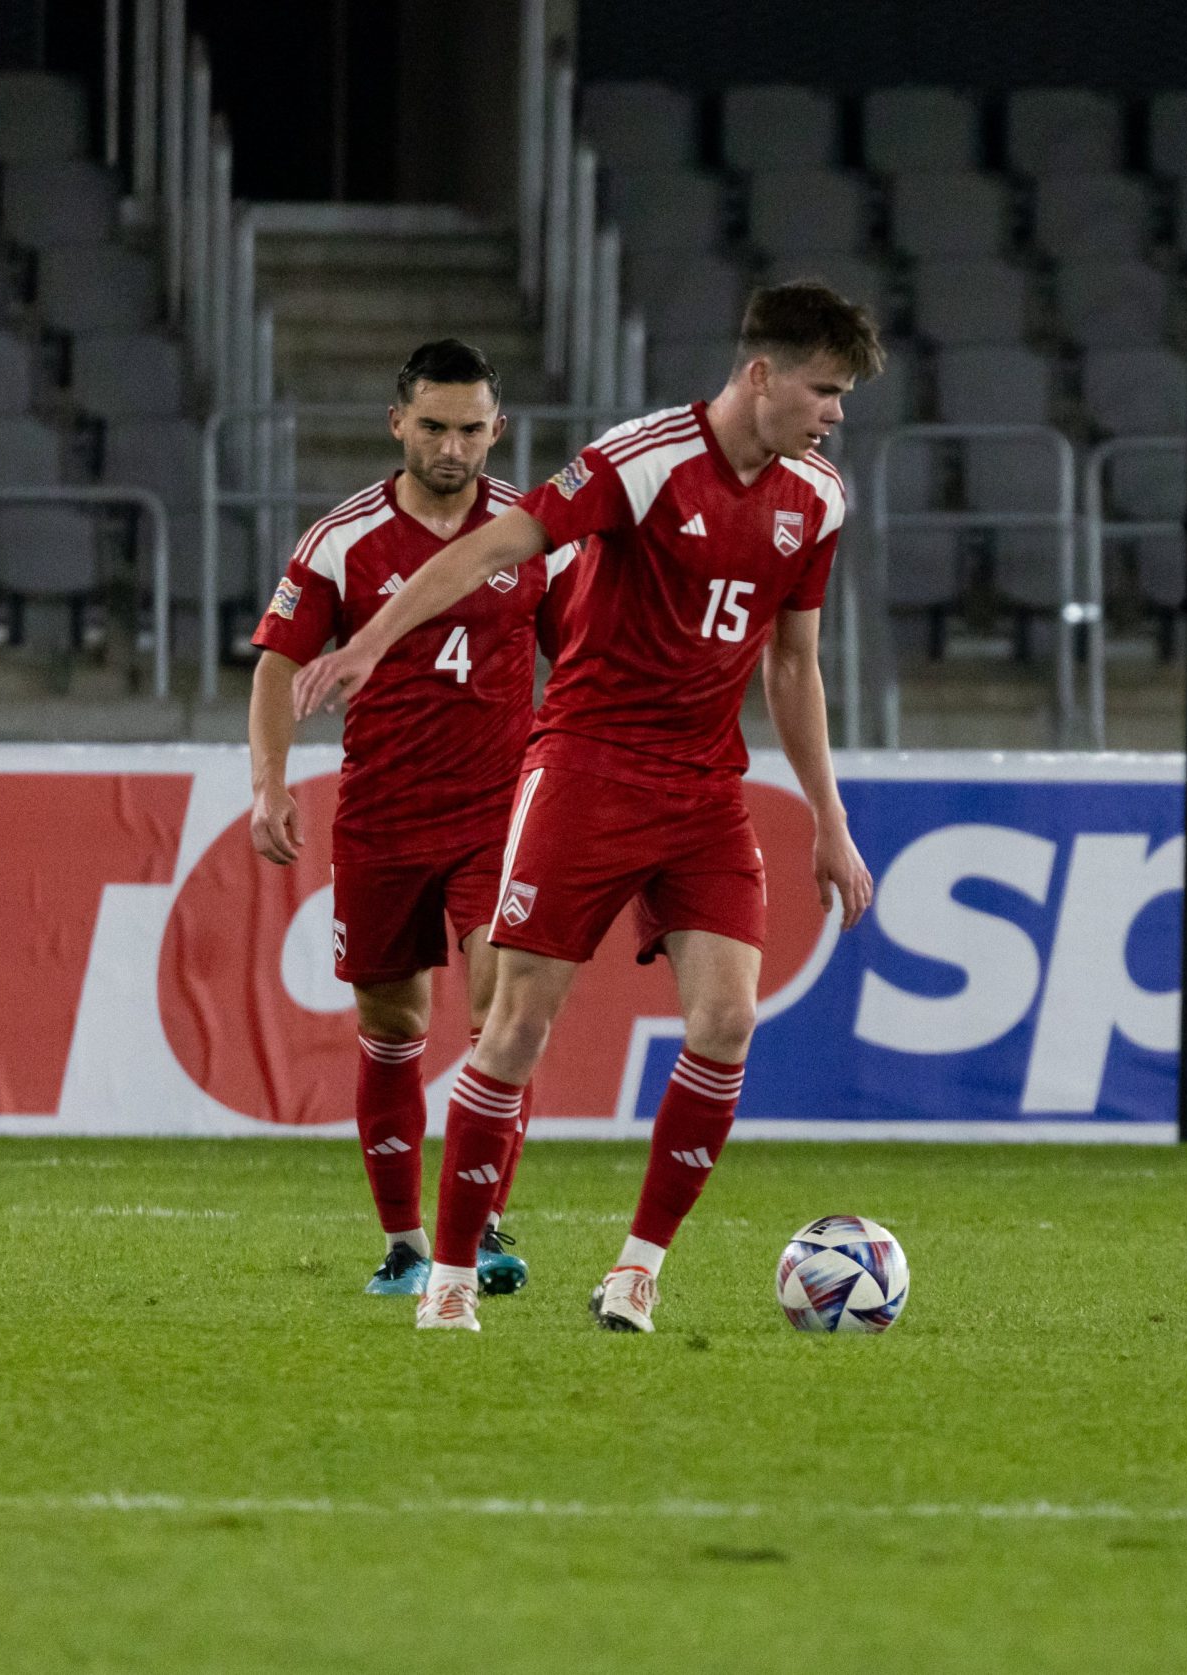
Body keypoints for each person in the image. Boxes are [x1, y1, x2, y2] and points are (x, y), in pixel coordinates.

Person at [294, 281, 880, 1335]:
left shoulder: (820, 497)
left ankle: (636, 1272)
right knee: (516, 1026)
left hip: (705, 788)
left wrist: (829, 821)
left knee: (728, 1019)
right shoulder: (641, 460)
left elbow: (794, 663)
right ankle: (451, 1279)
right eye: (825, 390)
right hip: (586, 772)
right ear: (762, 375)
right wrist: (372, 639)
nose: (835, 414)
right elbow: (492, 546)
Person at [249, 340, 569, 1299]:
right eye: (433, 426)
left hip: (498, 815)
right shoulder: (341, 540)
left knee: (501, 1014)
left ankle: (483, 1228)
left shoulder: (532, 535)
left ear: (497, 430)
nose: (451, 446)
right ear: (397, 423)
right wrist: (269, 784)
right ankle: (404, 1243)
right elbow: (276, 666)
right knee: (392, 1025)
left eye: (471, 428)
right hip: (382, 818)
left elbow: (584, 655)